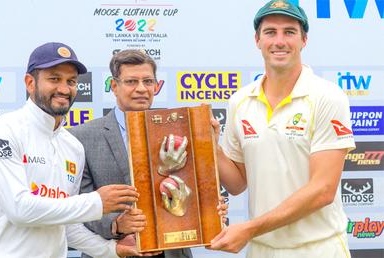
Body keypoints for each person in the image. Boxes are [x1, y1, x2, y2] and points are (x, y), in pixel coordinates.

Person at [209, 1, 355, 258]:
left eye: (289, 32)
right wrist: (213, 149)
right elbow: (237, 183)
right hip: (261, 249)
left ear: (304, 40)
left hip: (318, 248)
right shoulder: (239, 101)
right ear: (257, 40)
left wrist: (249, 229)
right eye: (270, 32)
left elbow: (323, 190)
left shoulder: (328, 97)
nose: (279, 41)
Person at [0, 42, 146, 258]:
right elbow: (20, 209)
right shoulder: (1, 131)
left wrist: (111, 250)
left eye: (71, 81)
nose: (64, 89)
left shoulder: (72, 146)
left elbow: (68, 226)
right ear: (30, 82)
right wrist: (96, 202)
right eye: (54, 79)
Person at [69, 50, 227, 258]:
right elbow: (76, 206)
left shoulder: (182, 128)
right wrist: (116, 224)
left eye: (148, 81)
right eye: (131, 81)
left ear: (156, 86)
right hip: (114, 251)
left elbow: (196, 187)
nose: (141, 89)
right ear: (114, 86)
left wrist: (209, 208)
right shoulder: (81, 136)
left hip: (172, 251)